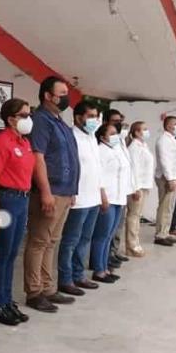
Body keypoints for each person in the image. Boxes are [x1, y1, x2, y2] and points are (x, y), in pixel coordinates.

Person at [23, 77, 80, 313]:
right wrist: (45, 192)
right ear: (48, 95)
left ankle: (48, 287)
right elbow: (38, 157)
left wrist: (72, 191)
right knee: (38, 241)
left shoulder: (61, 122)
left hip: (65, 191)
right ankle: (34, 292)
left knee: (51, 241)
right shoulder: (41, 120)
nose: (66, 96)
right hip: (51, 191)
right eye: (62, 92)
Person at [0, 98, 35, 325]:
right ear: (11, 119)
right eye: (24, 115)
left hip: (22, 199)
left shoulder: (24, 142)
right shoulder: (1, 141)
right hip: (7, 199)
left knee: (12, 254)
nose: (28, 119)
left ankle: (7, 300)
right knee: (2, 254)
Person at [57, 101, 104, 297]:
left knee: (85, 239)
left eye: (95, 116)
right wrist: (71, 192)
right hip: (78, 198)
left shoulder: (92, 137)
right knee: (70, 241)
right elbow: (68, 166)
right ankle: (65, 279)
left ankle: (79, 274)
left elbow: (97, 167)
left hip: (93, 197)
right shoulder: (71, 136)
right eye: (90, 116)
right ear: (78, 117)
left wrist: (101, 193)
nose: (94, 120)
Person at [90, 123, 130, 283]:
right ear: (102, 137)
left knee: (109, 235)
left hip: (118, 197)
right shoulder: (101, 151)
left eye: (116, 133)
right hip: (108, 197)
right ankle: (98, 270)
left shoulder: (115, 150)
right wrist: (102, 196)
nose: (115, 136)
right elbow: (98, 176)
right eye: (111, 133)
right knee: (102, 235)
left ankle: (105, 267)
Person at [104, 109, 132, 267]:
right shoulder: (106, 144)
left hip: (122, 191)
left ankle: (113, 252)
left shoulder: (121, 140)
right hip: (110, 193)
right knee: (107, 230)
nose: (119, 123)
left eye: (120, 120)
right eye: (115, 121)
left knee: (117, 226)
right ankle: (104, 258)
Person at [126, 121, 155, 256]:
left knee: (137, 216)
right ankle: (131, 245)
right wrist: (135, 188)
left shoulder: (143, 145)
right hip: (138, 186)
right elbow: (134, 169)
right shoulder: (134, 147)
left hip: (144, 185)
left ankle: (135, 243)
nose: (147, 131)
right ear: (137, 132)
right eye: (144, 129)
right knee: (133, 215)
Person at [154, 115, 176, 246]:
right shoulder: (163, 140)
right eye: (175, 124)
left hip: (173, 177)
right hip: (166, 178)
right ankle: (160, 235)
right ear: (168, 126)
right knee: (164, 207)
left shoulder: (173, 139)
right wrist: (171, 179)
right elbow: (165, 161)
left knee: (170, 207)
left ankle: (165, 232)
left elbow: (175, 162)